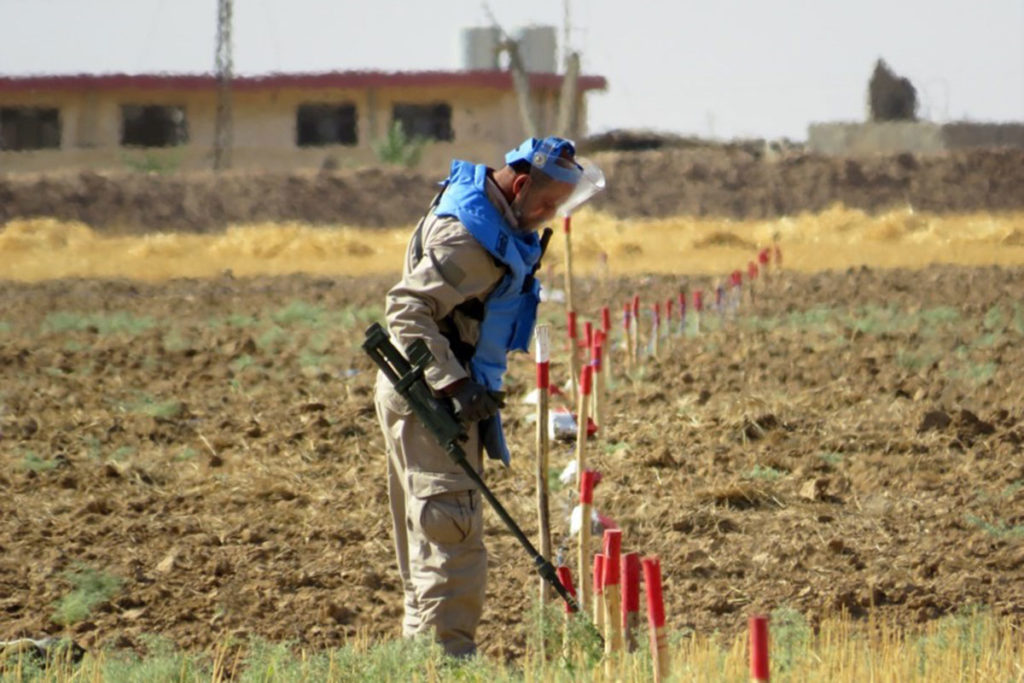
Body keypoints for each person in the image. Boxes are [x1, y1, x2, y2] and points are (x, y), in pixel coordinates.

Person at [373, 136, 603, 657]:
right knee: (451, 542)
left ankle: (424, 664)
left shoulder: (485, 215)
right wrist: (453, 382)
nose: (548, 217)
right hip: (431, 397)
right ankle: (446, 663)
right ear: (520, 184)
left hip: (429, 394)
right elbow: (406, 311)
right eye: (546, 204)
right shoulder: (471, 242)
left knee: (434, 539)